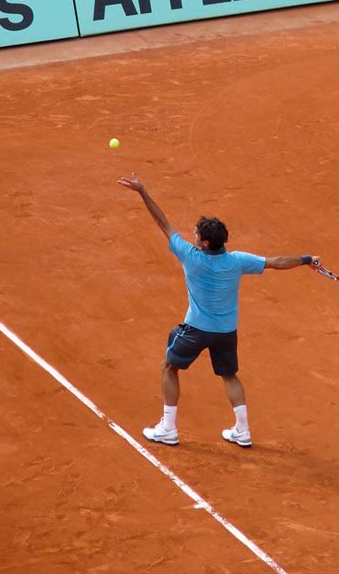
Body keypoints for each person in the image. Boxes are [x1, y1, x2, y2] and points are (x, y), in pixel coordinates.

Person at [118, 174, 322, 448]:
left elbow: (162, 222)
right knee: (229, 375)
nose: (194, 233)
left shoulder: (190, 256)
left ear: (204, 243)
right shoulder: (237, 261)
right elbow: (277, 262)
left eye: (198, 233)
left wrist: (142, 191)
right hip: (226, 332)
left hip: (196, 330)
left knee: (169, 367)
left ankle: (168, 428)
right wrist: (307, 259)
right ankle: (243, 431)